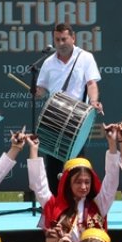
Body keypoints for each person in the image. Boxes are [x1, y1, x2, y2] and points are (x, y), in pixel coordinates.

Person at [27, 122, 121, 242]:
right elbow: (38, 184)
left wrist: (112, 144)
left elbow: (111, 180)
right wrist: (33, 150)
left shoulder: (99, 204)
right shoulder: (55, 206)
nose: (83, 187)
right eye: (78, 182)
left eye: (87, 182)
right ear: (68, 183)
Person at [34, 23, 104, 187]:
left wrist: (94, 101)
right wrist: (37, 92)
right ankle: (55, 203)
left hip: (76, 118)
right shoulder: (48, 62)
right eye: (57, 39)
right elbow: (42, 89)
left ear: (73, 38)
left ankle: (78, 203)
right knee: (53, 164)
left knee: (76, 162)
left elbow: (91, 83)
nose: (60, 43)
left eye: (64, 39)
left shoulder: (85, 57)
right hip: (54, 116)